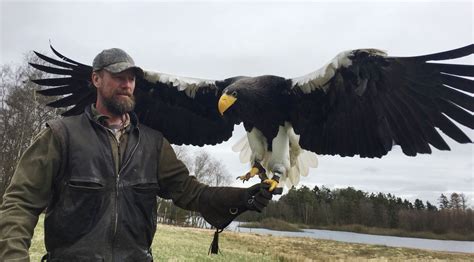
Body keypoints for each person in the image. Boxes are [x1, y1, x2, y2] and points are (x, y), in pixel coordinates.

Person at [0, 48, 273, 261]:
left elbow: (191, 192)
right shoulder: (62, 136)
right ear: (95, 79)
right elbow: (20, 204)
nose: (127, 84)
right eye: (118, 77)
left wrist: (242, 197)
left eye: (131, 79)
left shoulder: (152, 144)